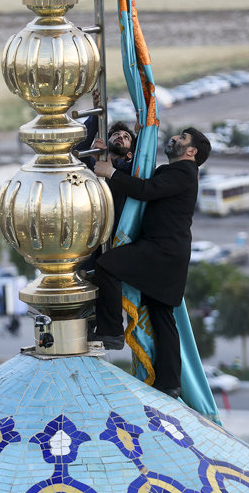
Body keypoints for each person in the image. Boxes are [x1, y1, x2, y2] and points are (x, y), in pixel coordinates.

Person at [90, 128, 211, 398]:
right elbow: (142, 179)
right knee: (161, 315)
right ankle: (169, 382)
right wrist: (113, 156)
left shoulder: (183, 173)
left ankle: (110, 330)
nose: (175, 139)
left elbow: (145, 190)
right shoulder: (179, 174)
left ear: (191, 151)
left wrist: (110, 173)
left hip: (161, 250)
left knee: (107, 265)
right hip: (169, 254)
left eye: (182, 139)